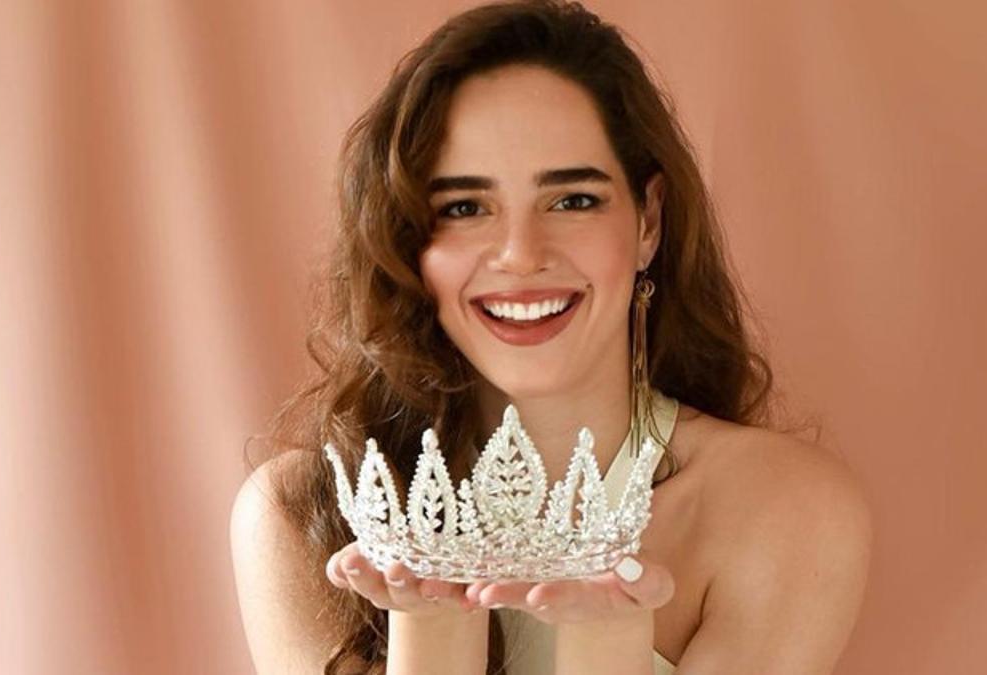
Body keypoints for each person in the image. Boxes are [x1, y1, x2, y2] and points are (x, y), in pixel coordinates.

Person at [230, 1, 873, 673]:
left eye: (572, 200)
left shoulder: (785, 513)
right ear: (407, 241)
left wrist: (608, 641)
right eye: (464, 207)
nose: (521, 254)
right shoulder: (299, 516)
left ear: (648, 221)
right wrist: (432, 623)